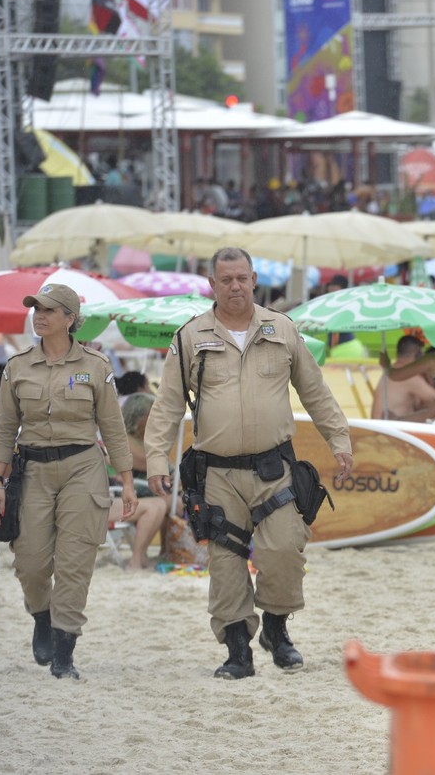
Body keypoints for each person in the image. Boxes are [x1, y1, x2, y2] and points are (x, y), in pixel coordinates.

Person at [144, 247, 353, 680]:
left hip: (274, 469)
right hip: (217, 473)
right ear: (212, 285)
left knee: (283, 550)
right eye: (226, 280)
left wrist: (339, 439)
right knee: (226, 561)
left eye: (242, 278)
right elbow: (166, 406)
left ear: (254, 280)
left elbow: (315, 391)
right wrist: (156, 459)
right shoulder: (189, 337)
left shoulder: (282, 328)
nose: (235, 286)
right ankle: (237, 649)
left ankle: (276, 628)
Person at [0, 284, 138, 679]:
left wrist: (127, 481)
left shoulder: (96, 366)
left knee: (74, 564)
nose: (39, 316)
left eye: (49, 310)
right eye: (36, 308)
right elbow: (5, 428)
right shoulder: (16, 366)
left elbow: (113, 427)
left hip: (82, 469)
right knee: (31, 562)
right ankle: (42, 615)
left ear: (70, 319)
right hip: (32, 471)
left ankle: (64, 653)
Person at [107, 393, 171, 570]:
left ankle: (141, 556)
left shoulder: (109, 442)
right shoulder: (119, 440)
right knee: (159, 505)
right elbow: (146, 462)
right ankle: (136, 560)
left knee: (161, 504)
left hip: (112, 496)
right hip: (104, 499)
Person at [371, 335, 435, 422]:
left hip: (381, 427)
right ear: (418, 355)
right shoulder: (408, 377)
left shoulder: (392, 372)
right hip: (394, 428)